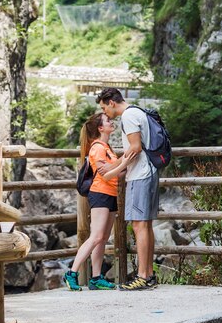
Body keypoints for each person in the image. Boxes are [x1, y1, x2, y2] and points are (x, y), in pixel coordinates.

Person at [96, 88, 159, 290]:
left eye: (104, 107)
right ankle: (148, 274)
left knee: (139, 225)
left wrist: (115, 170)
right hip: (149, 172)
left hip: (140, 175)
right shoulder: (137, 112)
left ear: (111, 102)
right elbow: (134, 149)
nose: (105, 112)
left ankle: (142, 276)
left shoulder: (129, 116)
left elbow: (135, 148)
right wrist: (114, 167)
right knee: (146, 225)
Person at [64, 112, 131, 291]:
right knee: (95, 237)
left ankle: (96, 278)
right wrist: (125, 162)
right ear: (100, 128)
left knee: (102, 238)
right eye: (107, 121)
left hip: (110, 194)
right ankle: (71, 273)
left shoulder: (107, 147)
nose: (111, 122)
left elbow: (118, 172)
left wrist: (129, 161)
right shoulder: (97, 148)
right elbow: (104, 173)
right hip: (100, 194)